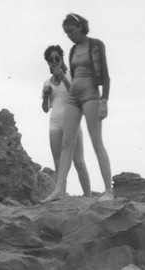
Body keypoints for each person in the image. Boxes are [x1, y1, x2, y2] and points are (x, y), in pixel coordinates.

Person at [43, 13, 113, 202]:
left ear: (81, 27)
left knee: (96, 141)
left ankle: (108, 191)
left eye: (71, 31)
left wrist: (104, 101)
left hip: (91, 95)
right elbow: (73, 81)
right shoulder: (73, 51)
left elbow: (105, 76)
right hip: (73, 98)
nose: (69, 36)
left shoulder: (95, 44)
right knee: (66, 144)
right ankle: (58, 190)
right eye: (66, 33)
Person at [42, 44, 91, 197]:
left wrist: (62, 76)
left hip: (72, 123)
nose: (54, 61)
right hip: (54, 124)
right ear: (48, 63)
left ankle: (88, 197)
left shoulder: (71, 76)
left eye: (57, 58)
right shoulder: (47, 82)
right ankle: (61, 197)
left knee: (79, 162)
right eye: (51, 60)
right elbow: (45, 108)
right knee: (58, 164)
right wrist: (45, 95)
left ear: (63, 58)